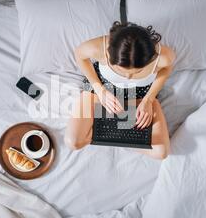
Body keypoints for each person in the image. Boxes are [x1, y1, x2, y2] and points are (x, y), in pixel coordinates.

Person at [64, 22, 175, 160]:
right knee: (73, 142)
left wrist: (148, 100)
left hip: (139, 93)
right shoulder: (99, 47)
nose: (128, 77)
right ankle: (120, 138)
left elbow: (167, 69)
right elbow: (79, 55)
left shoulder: (164, 57)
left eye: (138, 71)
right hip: (101, 85)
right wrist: (100, 90)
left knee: (161, 153)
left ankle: (117, 139)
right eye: (121, 70)